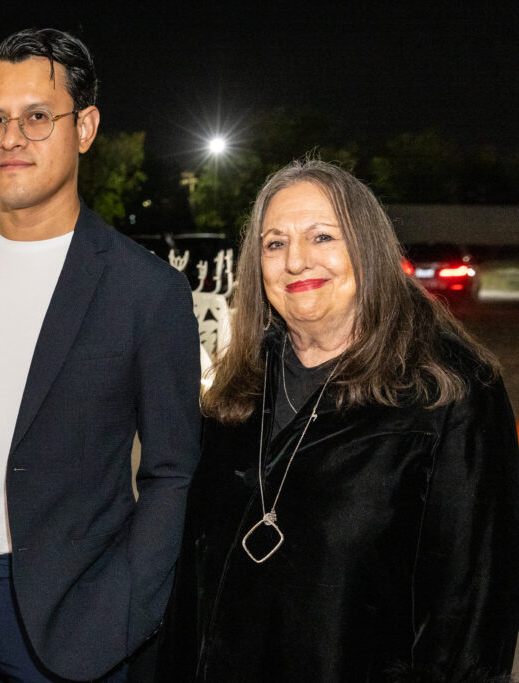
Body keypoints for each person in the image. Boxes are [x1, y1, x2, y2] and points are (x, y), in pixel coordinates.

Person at [0, 28, 202, 682]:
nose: (11, 138)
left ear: (84, 127)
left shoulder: (146, 290)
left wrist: (124, 608)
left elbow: (172, 472)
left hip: (69, 617)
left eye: (37, 117)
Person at [157, 159, 519, 681]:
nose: (297, 261)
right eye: (274, 243)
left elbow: (471, 614)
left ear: (367, 247)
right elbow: (193, 585)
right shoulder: (237, 394)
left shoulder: (450, 392)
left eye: (322, 236)